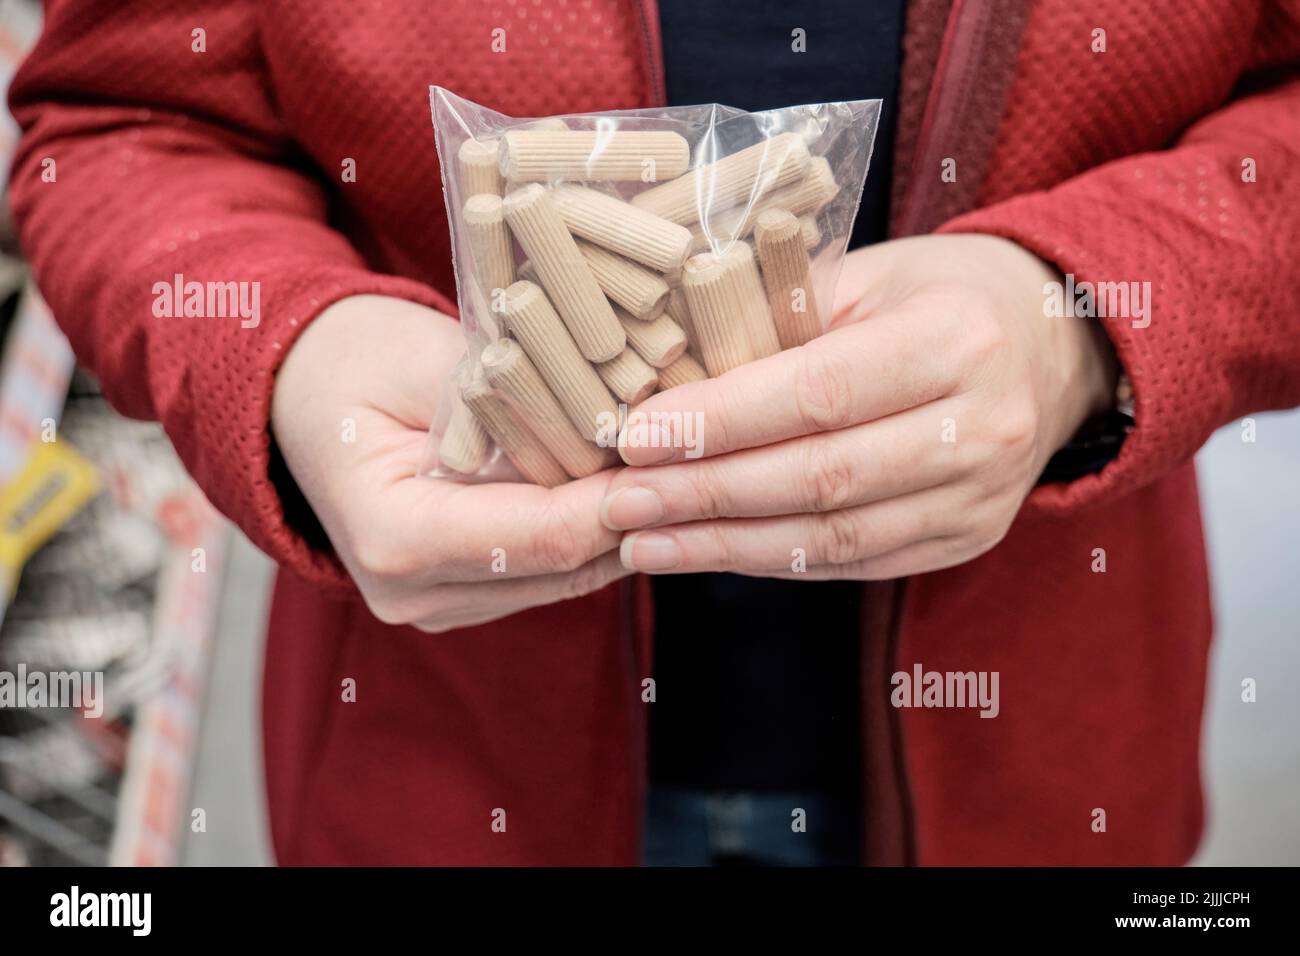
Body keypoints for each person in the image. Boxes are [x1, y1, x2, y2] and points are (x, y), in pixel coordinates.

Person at [8, 0, 1299, 865]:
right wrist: (291, 350)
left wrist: (1083, 310)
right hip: (453, 765)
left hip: (1040, 758)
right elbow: (120, 122)